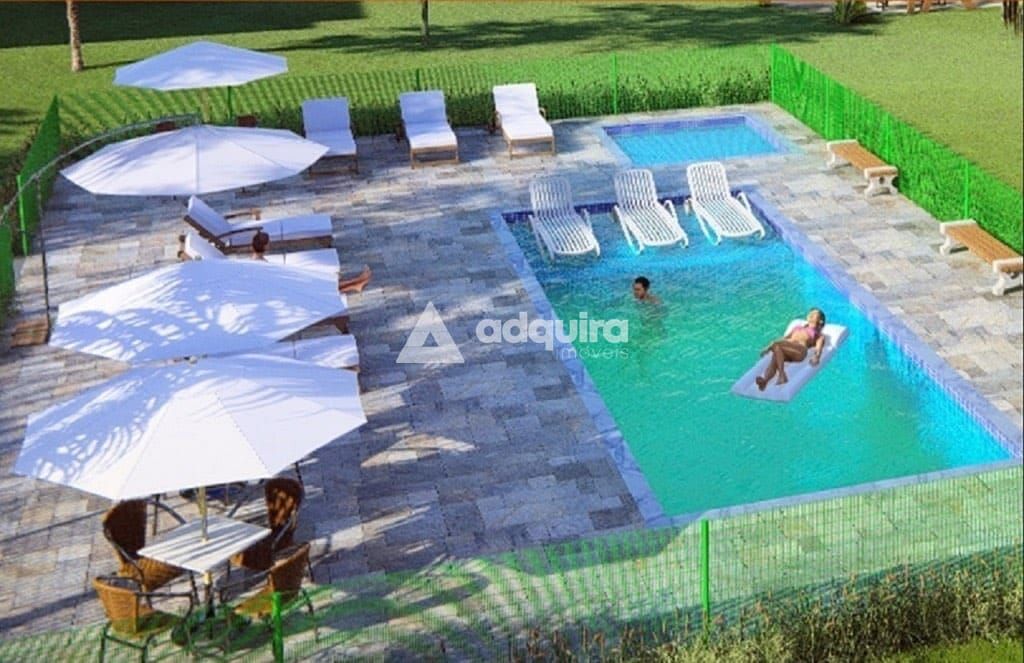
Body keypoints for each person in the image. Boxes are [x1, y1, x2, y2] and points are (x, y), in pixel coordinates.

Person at [250, 230, 372, 294]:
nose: (270, 245)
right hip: (288, 289)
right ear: (265, 246)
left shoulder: (256, 260)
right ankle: (357, 282)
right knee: (322, 285)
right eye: (268, 243)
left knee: (323, 281)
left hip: (288, 283)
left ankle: (356, 283)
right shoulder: (261, 264)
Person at [755, 308, 826, 391]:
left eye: (814, 316)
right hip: (788, 350)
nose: (811, 317)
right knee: (775, 356)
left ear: (820, 322)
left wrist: (816, 357)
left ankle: (782, 374)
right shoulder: (797, 327)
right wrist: (773, 345)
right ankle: (765, 381)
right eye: (811, 315)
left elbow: (818, 349)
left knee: (776, 344)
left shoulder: (819, 335)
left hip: (800, 350)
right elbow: (785, 338)